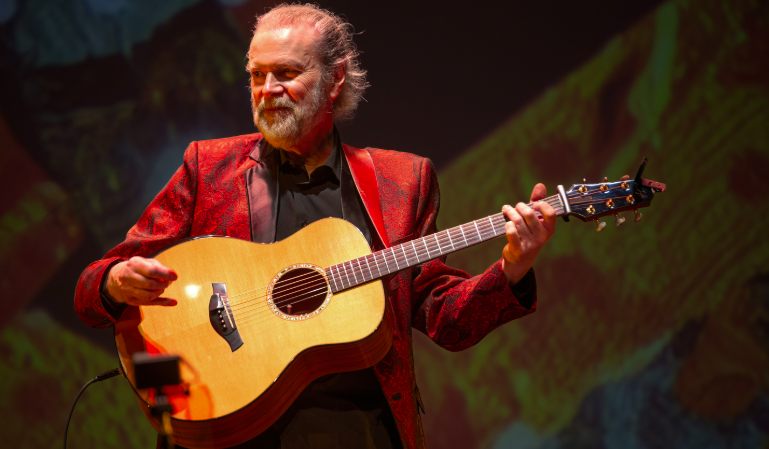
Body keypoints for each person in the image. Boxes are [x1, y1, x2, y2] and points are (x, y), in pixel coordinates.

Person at [74, 4, 556, 449]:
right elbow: (94, 287)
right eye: (256, 75)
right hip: (229, 431)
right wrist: (115, 282)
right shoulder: (209, 166)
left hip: (358, 432)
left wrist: (513, 268)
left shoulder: (402, 180)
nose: (267, 90)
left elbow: (445, 319)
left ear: (335, 78)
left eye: (286, 73)